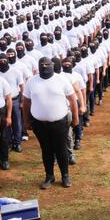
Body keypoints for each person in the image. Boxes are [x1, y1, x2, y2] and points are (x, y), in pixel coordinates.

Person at [22, 57, 79, 189]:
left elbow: (72, 99)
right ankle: (49, 176)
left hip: (59, 122)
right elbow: (26, 102)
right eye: (42, 64)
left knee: (61, 149)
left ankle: (65, 175)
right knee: (46, 150)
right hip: (39, 124)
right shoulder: (32, 81)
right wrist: (26, 120)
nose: (44, 66)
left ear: (52, 65)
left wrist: (75, 118)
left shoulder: (61, 79)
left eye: (47, 64)